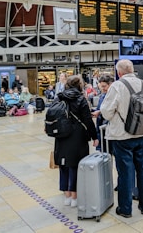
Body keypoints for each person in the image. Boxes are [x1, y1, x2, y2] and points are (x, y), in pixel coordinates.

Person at [100, 59, 143, 218]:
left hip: (122, 136)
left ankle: (125, 209)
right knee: (142, 169)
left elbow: (106, 112)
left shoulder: (117, 86)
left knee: (125, 173)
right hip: (142, 133)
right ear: (132, 70)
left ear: (119, 72)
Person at [53, 75, 98, 208]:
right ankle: (75, 196)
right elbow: (87, 120)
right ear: (79, 85)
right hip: (77, 136)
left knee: (63, 164)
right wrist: (94, 136)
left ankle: (66, 195)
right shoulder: (80, 99)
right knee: (76, 165)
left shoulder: (59, 97)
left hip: (61, 135)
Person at [92, 74, 114, 151]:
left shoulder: (114, 96)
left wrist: (100, 112)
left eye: (104, 86)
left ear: (110, 84)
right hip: (102, 129)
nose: (102, 88)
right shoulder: (103, 95)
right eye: (101, 86)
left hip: (110, 130)